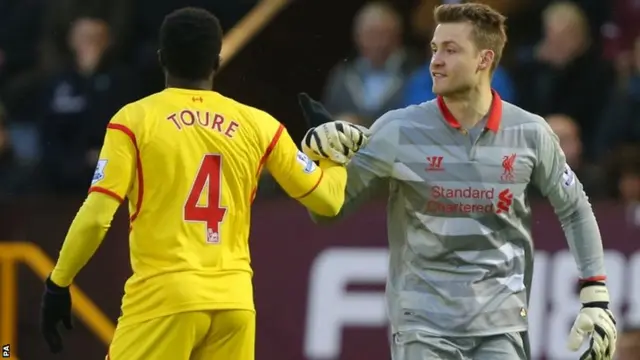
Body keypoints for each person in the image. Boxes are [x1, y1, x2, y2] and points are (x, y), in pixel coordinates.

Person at [39, 7, 367, 360]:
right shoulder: (260, 125)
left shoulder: (133, 121)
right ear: (217, 59)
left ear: (162, 58)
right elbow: (329, 202)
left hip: (164, 298)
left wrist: (58, 283)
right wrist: (332, 154)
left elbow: (97, 215)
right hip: (234, 303)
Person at [301, 3, 616, 360]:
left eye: (450, 50)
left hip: (501, 328)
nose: (435, 61)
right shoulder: (396, 130)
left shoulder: (530, 133)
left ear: (484, 59)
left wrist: (596, 297)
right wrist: (321, 162)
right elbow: (327, 211)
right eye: (434, 49)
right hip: (423, 327)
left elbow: (574, 209)